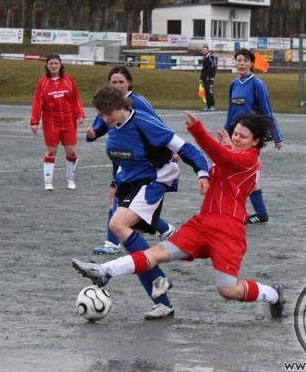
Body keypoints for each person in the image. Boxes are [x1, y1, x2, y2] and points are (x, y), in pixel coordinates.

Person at [72, 111, 285, 319]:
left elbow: (225, 158)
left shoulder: (250, 161)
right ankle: (104, 270)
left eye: (243, 136)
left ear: (255, 142)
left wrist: (198, 130)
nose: (237, 137)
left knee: (227, 290)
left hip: (228, 231)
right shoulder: (237, 155)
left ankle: (274, 295)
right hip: (203, 224)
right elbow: (227, 162)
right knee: (156, 253)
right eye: (236, 133)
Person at [81, 84, 210, 320]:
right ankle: (163, 303)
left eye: (108, 113)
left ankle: (157, 277)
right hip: (129, 181)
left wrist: (203, 172)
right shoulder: (114, 125)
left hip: (154, 178)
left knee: (118, 225)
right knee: (131, 244)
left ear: (122, 106)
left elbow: (185, 147)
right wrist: (115, 182)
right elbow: (122, 157)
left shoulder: (144, 122)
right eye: (101, 114)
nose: (105, 119)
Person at [87, 66, 176, 255]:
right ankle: (166, 229)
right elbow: (100, 126)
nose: (118, 85)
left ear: (129, 82)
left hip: (139, 160)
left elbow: (158, 125)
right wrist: (92, 133)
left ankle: (112, 243)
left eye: (121, 81)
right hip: (120, 157)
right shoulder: (107, 102)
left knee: (116, 197)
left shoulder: (139, 103)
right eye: (114, 82)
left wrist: (170, 147)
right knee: (123, 199)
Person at [225, 48, 284, 224]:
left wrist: (277, 136)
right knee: (238, 174)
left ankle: (252, 212)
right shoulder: (234, 85)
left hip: (251, 137)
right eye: (238, 60)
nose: (241, 64)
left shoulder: (257, 84)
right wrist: (225, 132)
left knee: (244, 174)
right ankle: (256, 212)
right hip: (235, 137)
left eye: (244, 60)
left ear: (251, 63)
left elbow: (267, 111)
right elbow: (231, 112)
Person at [30, 54, 85, 190]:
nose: (53, 66)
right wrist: (34, 121)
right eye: (51, 64)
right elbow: (38, 103)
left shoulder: (68, 80)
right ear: (47, 66)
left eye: (56, 63)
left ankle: (70, 179)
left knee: (72, 152)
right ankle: (48, 182)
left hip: (68, 120)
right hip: (51, 121)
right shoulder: (42, 83)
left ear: (60, 65)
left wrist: (80, 114)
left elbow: (76, 98)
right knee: (51, 151)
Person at [200, 45, 218, 111]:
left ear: (208, 50)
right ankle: (208, 105)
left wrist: (212, 77)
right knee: (206, 91)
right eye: (202, 50)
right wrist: (201, 78)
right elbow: (203, 69)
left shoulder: (211, 57)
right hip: (205, 77)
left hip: (209, 78)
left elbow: (214, 67)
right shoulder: (204, 58)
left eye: (205, 50)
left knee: (210, 91)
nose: (203, 51)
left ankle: (212, 105)